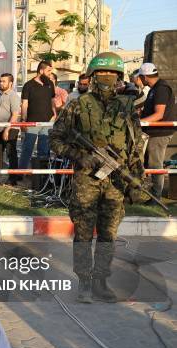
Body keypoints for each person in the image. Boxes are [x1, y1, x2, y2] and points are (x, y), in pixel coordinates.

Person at [49, 52, 145, 304]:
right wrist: (79, 156)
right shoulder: (77, 105)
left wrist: (137, 179)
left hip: (115, 182)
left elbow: (135, 147)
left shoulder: (126, 108)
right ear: (91, 77)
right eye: (102, 74)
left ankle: (101, 282)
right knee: (82, 233)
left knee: (108, 235)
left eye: (112, 74)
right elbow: (55, 139)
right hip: (86, 182)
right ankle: (84, 283)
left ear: (119, 78)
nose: (107, 78)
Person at [139, 62, 176, 202]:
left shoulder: (161, 88)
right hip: (155, 131)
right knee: (151, 163)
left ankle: (156, 198)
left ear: (144, 77)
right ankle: (153, 195)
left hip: (160, 132)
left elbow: (159, 114)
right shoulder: (155, 88)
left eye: (140, 77)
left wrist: (139, 123)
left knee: (155, 164)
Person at [18, 61, 56, 171]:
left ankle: (41, 175)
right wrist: (23, 120)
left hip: (47, 122)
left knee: (44, 150)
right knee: (27, 149)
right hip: (32, 123)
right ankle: (21, 173)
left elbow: (52, 100)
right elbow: (24, 104)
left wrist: (54, 114)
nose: (50, 73)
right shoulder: (28, 85)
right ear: (41, 71)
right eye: (48, 71)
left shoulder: (50, 84)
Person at [0, 73, 20, 185]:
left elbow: (15, 115)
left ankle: (13, 179)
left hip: (10, 129)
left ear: (10, 83)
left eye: (4, 81)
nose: (1, 83)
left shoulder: (13, 96)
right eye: (0, 81)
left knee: (11, 154)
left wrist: (7, 129)